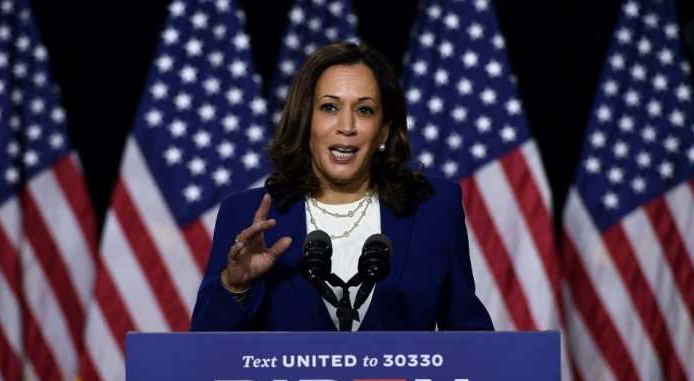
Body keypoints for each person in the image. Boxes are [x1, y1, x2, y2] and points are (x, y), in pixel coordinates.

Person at [190, 42, 493, 332]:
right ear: (305, 120)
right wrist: (235, 285)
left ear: (384, 128)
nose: (346, 126)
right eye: (329, 107)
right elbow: (205, 356)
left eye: (364, 110)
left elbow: (469, 337)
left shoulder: (434, 208)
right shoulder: (245, 214)